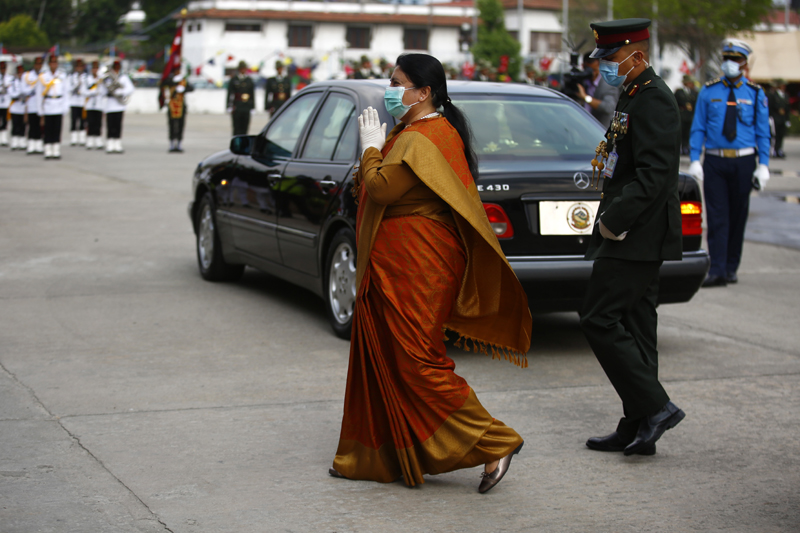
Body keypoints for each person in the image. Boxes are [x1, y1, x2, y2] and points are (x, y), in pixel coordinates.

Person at [329, 53, 532, 494]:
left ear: (424, 93)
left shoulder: (428, 136)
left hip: (419, 264)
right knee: (389, 355)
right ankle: (382, 454)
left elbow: (381, 188)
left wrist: (367, 146)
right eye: (390, 80)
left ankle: (495, 440)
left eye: (397, 82)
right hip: (398, 261)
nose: (390, 89)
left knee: (417, 361)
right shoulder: (413, 132)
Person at [580, 19, 686, 457]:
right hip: (631, 228)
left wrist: (613, 221)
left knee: (598, 318)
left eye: (611, 58)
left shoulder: (656, 99)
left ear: (636, 56)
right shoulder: (633, 93)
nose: (605, 66)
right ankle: (638, 423)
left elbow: (656, 175)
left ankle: (658, 407)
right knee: (639, 328)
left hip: (635, 232)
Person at [688, 39, 770, 287]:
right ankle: (718, 269)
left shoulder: (756, 93)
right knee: (717, 216)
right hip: (715, 160)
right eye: (726, 59)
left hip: (744, 161)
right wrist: (694, 159)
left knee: (738, 215)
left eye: (735, 59)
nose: (730, 64)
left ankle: (732, 267)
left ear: (744, 63)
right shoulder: (708, 91)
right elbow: (698, 127)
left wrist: (763, 164)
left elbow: (763, 132)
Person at [576, 52, 622, 128]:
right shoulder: (583, 82)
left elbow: (609, 107)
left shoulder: (608, 84)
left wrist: (585, 97)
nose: (593, 74)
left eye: (595, 70)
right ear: (583, 66)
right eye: (589, 71)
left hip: (600, 130)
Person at [38, 54, 69, 159]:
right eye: (52, 62)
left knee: (57, 128)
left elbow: (66, 92)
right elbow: (39, 94)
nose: (54, 64)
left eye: (55, 62)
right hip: (48, 104)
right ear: (49, 64)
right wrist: (40, 109)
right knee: (48, 129)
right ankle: (48, 149)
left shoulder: (62, 76)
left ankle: (56, 149)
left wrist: (65, 107)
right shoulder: (43, 77)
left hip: (59, 104)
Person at [102, 59, 134, 154]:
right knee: (110, 125)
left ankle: (117, 143)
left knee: (118, 125)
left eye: (117, 68)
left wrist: (121, 92)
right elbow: (103, 90)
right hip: (110, 104)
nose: (116, 70)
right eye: (114, 68)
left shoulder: (123, 77)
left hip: (119, 105)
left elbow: (130, 88)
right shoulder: (107, 77)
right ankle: (110, 144)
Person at [160, 64, 194, 153]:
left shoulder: (183, 80)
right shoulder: (170, 80)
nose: (178, 72)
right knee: (171, 124)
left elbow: (191, 88)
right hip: (171, 105)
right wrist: (175, 84)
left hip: (181, 105)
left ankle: (179, 143)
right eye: (176, 71)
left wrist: (184, 89)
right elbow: (163, 84)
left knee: (181, 124)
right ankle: (171, 143)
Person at [227, 61, 254, 135]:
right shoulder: (234, 80)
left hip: (246, 106)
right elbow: (230, 93)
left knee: (245, 127)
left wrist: (252, 107)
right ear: (239, 69)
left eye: (244, 69)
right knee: (236, 127)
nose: (243, 70)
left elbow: (252, 94)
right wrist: (229, 106)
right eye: (241, 69)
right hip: (237, 106)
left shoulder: (249, 80)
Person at [82, 60, 105, 150]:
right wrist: (92, 92)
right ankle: (90, 140)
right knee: (90, 123)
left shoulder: (101, 79)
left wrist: (100, 92)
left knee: (98, 123)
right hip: (90, 104)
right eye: (93, 68)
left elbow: (105, 91)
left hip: (99, 104)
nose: (95, 70)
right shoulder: (87, 79)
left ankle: (98, 140)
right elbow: (83, 91)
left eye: (96, 68)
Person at [24, 56, 44, 154]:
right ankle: (31, 145)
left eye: (40, 64)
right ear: (34, 65)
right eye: (37, 64)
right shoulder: (27, 75)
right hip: (31, 102)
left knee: (40, 126)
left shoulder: (44, 75)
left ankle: (39, 145)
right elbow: (23, 89)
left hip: (41, 103)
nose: (38, 66)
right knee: (32, 125)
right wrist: (32, 89)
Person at [674, 74, 698, 155]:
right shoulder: (679, 92)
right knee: (681, 132)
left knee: (688, 133)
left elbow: (695, 104)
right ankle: (680, 148)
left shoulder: (694, 93)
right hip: (682, 115)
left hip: (690, 115)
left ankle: (686, 147)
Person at [8, 64, 28, 150]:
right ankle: (14, 142)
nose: (20, 74)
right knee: (15, 125)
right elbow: (11, 93)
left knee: (23, 125)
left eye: (21, 72)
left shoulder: (26, 82)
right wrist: (18, 95)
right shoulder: (12, 82)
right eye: (19, 73)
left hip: (23, 107)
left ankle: (22, 141)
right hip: (15, 106)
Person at [769, 78, 790, 159]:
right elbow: (771, 107)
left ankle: (779, 150)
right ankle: (773, 150)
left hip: (782, 119)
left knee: (781, 135)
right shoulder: (773, 95)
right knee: (775, 135)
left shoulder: (785, 95)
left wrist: (787, 119)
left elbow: (787, 108)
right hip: (775, 118)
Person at [68, 58, 87, 146]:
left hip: (83, 102)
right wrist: (77, 85)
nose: (79, 68)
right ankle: (74, 138)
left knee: (83, 120)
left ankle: (82, 138)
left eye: (81, 66)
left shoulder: (86, 77)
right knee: (74, 120)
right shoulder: (71, 77)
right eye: (77, 66)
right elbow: (68, 88)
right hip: (74, 101)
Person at [0, 61, 11, 147]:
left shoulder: (9, 78)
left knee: (5, 120)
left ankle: (4, 138)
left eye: (3, 68)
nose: (2, 70)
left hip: (6, 103)